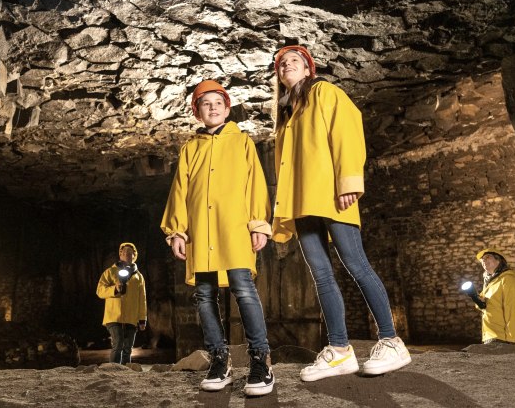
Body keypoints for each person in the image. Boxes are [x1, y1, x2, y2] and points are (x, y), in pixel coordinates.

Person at [271, 45, 411, 381]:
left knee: (357, 265)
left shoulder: (324, 92)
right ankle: (339, 351)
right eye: (281, 64)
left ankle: (391, 342)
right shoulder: (287, 114)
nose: (287, 66)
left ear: (308, 70)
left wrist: (349, 180)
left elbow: (347, 129)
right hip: (303, 201)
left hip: (331, 193)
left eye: (295, 61)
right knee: (321, 275)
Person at [160, 80, 274, 396]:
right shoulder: (189, 149)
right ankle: (219, 359)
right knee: (204, 294)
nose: (212, 107)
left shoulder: (243, 142)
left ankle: (259, 359)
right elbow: (179, 191)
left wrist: (257, 224)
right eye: (205, 103)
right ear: (197, 112)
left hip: (234, 228)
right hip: (200, 233)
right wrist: (177, 231)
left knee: (243, 289)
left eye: (218, 102)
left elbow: (256, 185)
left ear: (226, 107)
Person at [96, 242, 147, 364]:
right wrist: (114, 289)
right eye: (124, 252)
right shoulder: (110, 272)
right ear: (120, 255)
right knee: (118, 343)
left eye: (129, 253)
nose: (126, 255)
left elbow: (142, 299)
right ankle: (113, 371)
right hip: (114, 316)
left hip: (131, 317)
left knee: (128, 348)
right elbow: (99, 291)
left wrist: (142, 319)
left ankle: (126, 373)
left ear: (134, 255)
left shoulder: (139, 277)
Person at [475, 248, 515, 344]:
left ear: (498, 260)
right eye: (482, 259)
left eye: (487, 257)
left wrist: (513, 339)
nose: (484, 260)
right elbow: (487, 306)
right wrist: (478, 301)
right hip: (491, 336)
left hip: (504, 338)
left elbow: (514, 309)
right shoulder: (490, 282)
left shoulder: (509, 279)